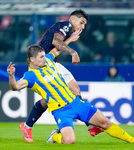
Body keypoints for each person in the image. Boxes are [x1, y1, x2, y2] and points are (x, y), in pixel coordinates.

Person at [7, 45, 134, 144]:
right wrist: (12, 76)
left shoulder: (49, 61)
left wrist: (71, 43)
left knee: (105, 123)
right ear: (32, 60)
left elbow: (57, 49)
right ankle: (54, 137)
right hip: (61, 111)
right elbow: (15, 87)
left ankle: (133, 140)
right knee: (69, 141)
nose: (45, 59)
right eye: (41, 57)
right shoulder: (30, 75)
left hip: (76, 103)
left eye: (44, 56)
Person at [19, 9, 103, 143]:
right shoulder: (66, 25)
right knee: (65, 94)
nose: (82, 27)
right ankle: (90, 125)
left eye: (84, 25)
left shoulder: (67, 30)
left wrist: (70, 39)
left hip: (51, 63)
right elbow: (56, 43)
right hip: (45, 64)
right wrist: (73, 52)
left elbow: (56, 45)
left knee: (52, 99)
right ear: (73, 19)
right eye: (81, 22)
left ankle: (27, 126)